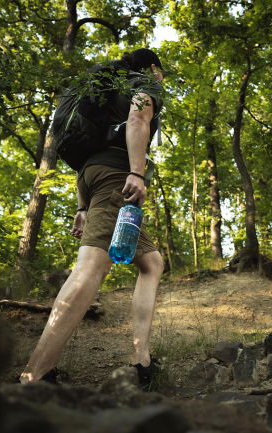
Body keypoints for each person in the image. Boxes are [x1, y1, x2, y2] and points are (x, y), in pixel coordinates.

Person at [18, 49, 165, 388]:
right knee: (91, 267)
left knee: (152, 262)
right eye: (162, 73)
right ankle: (35, 375)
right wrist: (136, 173)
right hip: (117, 175)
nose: (162, 80)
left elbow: (85, 154)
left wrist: (83, 206)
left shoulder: (104, 86)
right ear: (153, 68)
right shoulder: (144, 83)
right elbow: (137, 120)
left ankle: (140, 361)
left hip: (91, 176)